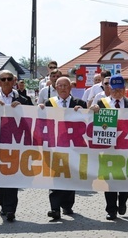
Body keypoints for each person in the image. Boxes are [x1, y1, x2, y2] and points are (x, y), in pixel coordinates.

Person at [90, 74, 128, 220]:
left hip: (127, 148)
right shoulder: (101, 103)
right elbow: (90, 122)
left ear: (124, 90)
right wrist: (92, 111)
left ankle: (122, 202)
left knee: (125, 178)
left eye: (120, 89)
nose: (117, 92)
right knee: (109, 179)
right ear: (109, 89)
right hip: (108, 148)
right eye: (114, 89)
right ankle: (111, 210)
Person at [0, 70, 33, 222]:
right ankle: (3, 204)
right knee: (0, 175)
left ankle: (10, 208)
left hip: (15, 143)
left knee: (12, 175)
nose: (6, 82)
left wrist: (22, 109)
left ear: (14, 81)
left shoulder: (24, 99)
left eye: (9, 79)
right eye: (3, 79)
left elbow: (34, 120)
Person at [39, 77, 87, 220]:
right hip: (55, 146)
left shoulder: (80, 103)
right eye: (60, 86)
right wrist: (40, 110)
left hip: (73, 148)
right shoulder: (48, 103)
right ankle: (54, 209)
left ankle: (67, 205)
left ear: (70, 87)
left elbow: (88, 122)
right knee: (55, 177)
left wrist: (84, 112)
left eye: (65, 86)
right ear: (56, 88)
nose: (63, 88)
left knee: (69, 176)